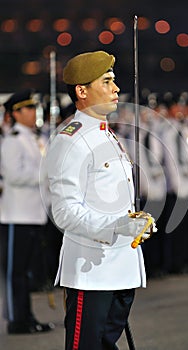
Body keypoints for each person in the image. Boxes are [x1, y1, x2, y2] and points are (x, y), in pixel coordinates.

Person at [47, 50, 155, 350]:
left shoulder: (106, 134)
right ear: (82, 91)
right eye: (106, 81)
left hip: (120, 267)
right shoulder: (72, 140)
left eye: (114, 81)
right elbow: (65, 211)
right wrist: (118, 226)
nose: (115, 88)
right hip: (91, 271)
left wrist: (134, 222)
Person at [0, 89, 54, 334]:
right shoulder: (12, 140)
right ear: (15, 113)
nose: (33, 113)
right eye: (28, 109)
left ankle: (27, 317)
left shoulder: (35, 139)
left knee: (27, 272)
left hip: (34, 213)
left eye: (33, 108)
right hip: (16, 215)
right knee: (16, 273)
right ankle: (16, 319)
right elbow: (14, 175)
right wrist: (44, 175)